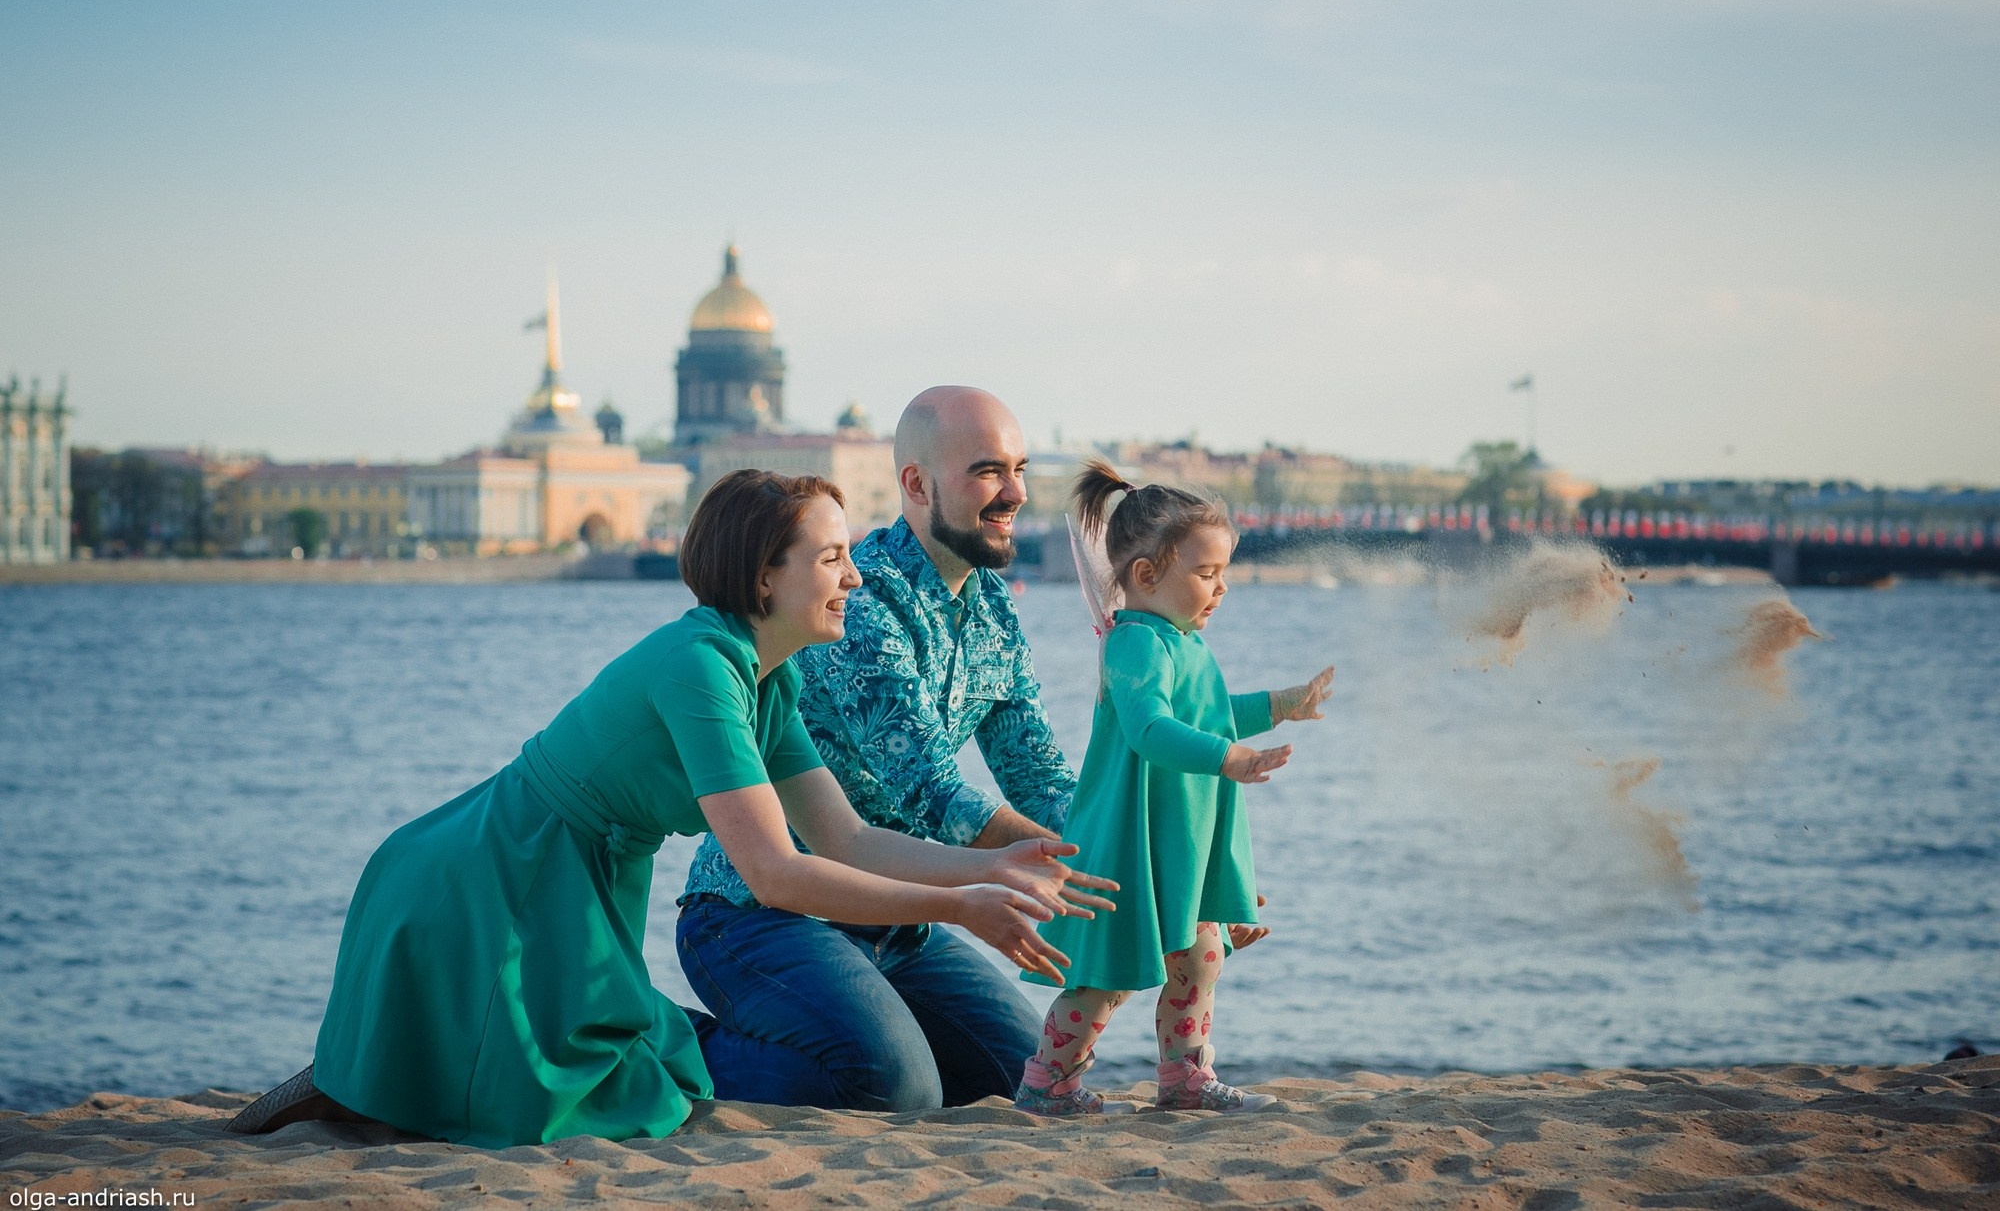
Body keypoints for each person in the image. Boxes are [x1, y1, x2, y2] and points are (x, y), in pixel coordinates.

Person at [224, 469, 1114, 1148]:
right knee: (576, 1086)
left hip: (579, 873)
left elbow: (846, 836)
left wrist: (997, 867)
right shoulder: (701, 665)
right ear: (765, 578)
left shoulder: (768, 677)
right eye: (833, 559)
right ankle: (363, 1072)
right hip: (493, 873)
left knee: (991, 1068)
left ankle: (394, 1065)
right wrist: (961, 904)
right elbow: (775, 873)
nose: (855, 578)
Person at [677, 387, 1083, 1111]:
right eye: (988, 471)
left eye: (1019, 470)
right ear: (916, 484)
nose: (1015, 493)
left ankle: (864, 1037)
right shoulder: (858, 603)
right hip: (760, 915)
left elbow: (1042, 778)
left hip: (899, 916)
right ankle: (663, 1042)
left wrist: (1170, 872)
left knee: (1025, 1078)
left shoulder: (994, 610)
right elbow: (935, 795)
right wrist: (1108, 877)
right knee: (890, 1088)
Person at [1014, 459, 1334, 1117]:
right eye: (1207, 573)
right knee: (1106, 974)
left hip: (1178, 838)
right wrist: (1230, 760)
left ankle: (1185, 1076)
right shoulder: (1133, 643)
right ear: (1146, 574)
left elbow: (1207, 712)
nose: (1220, 589)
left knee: (1202, 952)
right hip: (1131, 837)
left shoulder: (1184, 641)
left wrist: (1281, 702)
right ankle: (1050, 1082)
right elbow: (1150, 729)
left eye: (1224, 574)